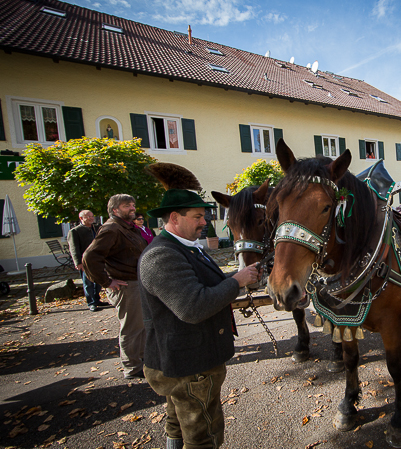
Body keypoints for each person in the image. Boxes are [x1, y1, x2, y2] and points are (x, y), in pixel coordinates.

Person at [138, 168, 260, 449]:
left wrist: (240, 278)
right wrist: (237, 281)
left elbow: (205, 284)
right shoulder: (161, 255)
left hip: (187, 360)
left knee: (177, 418)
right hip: (188, 364)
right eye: (198, 217)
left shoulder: (188, 247)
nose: (205, 222)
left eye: (204, 216)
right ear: (174, 218)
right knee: (204, 432)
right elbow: (193, 306)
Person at [83, 194, 148, 378]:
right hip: (126, 286)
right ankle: (132, 368)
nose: (133, 208)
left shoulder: (128, 228)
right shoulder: (112, 228)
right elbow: (90, 257)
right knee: (131, 328)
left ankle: (141, 361)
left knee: (141, 326)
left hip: (137, 283)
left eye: (133, 205)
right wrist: (106, 281)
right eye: (127, 205)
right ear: (115, 210)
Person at [66, 210, 108, 312]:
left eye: (92, 216)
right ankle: (91, 303)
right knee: (88, 283)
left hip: (99, 259)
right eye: (87, 216)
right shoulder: (75, 231)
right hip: (85, 261)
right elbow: (74, 248)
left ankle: (97, 300)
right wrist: (78, 263)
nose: (91, 218)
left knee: (99, 281)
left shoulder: (97, 228)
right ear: (81, 218)